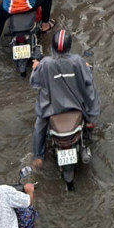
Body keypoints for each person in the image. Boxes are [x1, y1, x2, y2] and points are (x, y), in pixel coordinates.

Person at [30, 28, 101, 161]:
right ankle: (88, 131)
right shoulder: (78, 61)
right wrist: (92, 117)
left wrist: (36, 69)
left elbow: (34, 83)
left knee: (39, 125)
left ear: (53, 47)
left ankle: (38, 157)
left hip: (51, 110)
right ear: (69, 47)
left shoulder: (46, 63)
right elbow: (90, 89)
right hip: (77, 108)